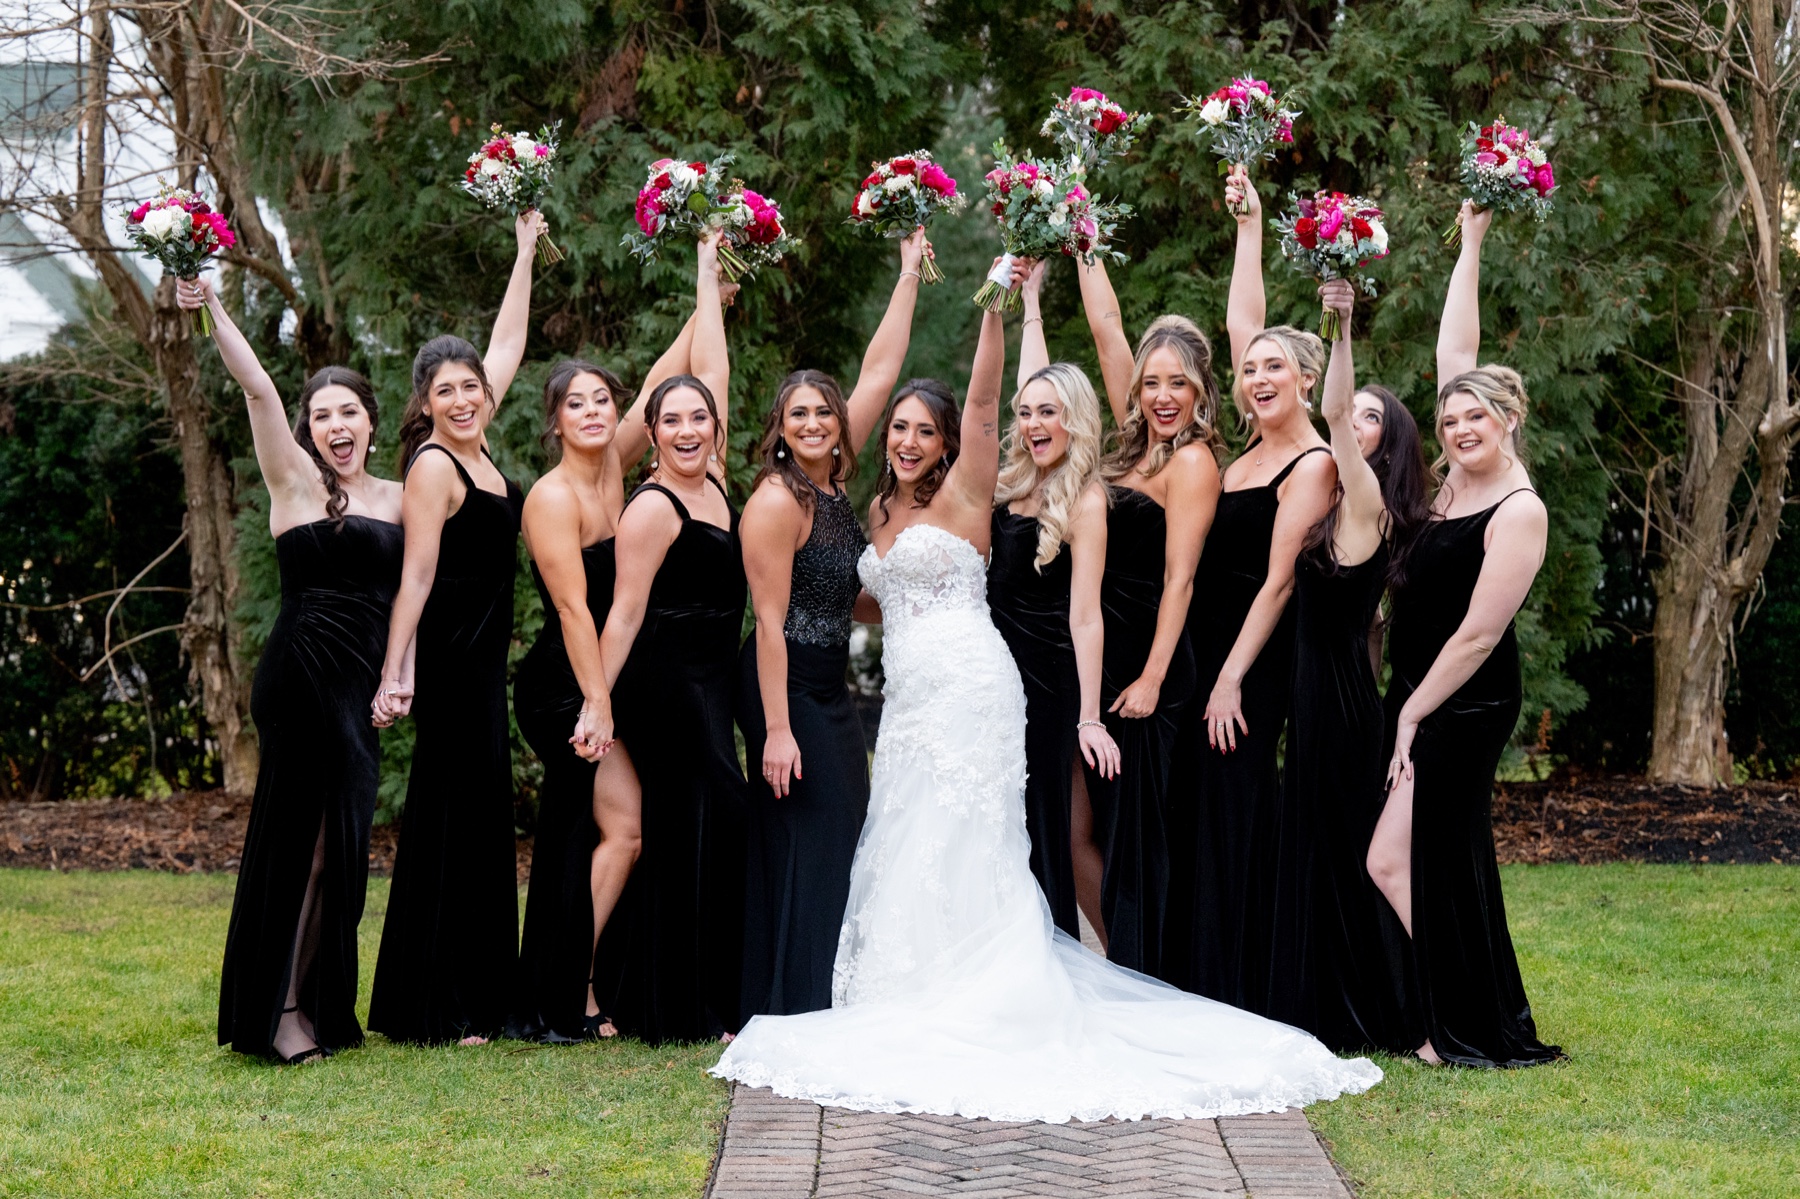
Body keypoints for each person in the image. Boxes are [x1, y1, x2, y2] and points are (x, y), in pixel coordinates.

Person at [712, 263, 1381, 1124]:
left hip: (973, 688)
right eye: (899, 429)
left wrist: (997, 307)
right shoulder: (870, 510)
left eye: (926, 430)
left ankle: (978, 990)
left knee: (968, 833)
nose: (908, 440)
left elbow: (993, 406)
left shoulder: (969, 493)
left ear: (950, 441)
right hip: (911, 699)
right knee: (909, 830)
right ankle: (910, 982)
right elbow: (857, 584)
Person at [182, 279, 404, 1065]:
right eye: (322, 415)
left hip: (360, 693)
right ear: (309, 430)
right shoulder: (295, 483)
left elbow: (414, 594)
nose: (335, 424)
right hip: (301, 678)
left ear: (373, 421)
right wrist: (209, 304)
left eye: (349, 410)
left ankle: (315, 1000)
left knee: (341, 847)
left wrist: (400, 673)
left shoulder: (407, 497)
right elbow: (257, 385)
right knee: (301, 846)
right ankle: (277, 1012)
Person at [1366, 203, 1562, 1068]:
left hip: (1464, 695)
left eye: (1475, 419)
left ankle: (1458, 1019)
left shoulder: (1518, 509)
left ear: (1508, 418)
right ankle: (1459, 1013)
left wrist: (1409, 716)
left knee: (1393, 859)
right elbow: (1456, 353)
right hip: (1419, 687)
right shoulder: (1450, 480)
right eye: (1449, 422)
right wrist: (1472, 241)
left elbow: (1480, 636)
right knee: (1434, 862)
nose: (1458, 430)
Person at [511, 279, 729, 1043]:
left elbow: (672, 378)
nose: (597, 412)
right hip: (563, 681)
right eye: (578, 403)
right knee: (625, 828)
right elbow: (575, 610)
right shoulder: (553, 496)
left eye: (604, 400)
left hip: (607, 675)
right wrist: (596, 704)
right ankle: (571, 990)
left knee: (604, 833)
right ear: (555, 420)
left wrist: (710, 292)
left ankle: (590, 980)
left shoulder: (614, 468)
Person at [736, 230, 928, 1018]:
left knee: (847, 826)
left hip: (832, 687)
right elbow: (771, 625)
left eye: (825, 411)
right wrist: (777, 731)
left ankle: (831, 988)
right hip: (783, 686)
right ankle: (790, 999)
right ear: (779, 429)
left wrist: (910, 271)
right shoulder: (776, 501)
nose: (814, 422)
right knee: (809, 837)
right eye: (799, 414)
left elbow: (881, 367)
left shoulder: (838, 485)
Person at [365, 213, 542, 1046]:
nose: (466, 397)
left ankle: (472, 992)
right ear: (425, 404)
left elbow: (507, 341)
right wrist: (397, 669)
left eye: (471, 386)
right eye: (447, 392)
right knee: (450, 819)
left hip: (482, 662)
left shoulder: (478, 449)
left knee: (477, 819)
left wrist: (523, 252)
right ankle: (434, 1004)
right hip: (447, 656)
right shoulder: (434, 465)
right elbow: (419, 575)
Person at [1166, 167, 1338, 1011]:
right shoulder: (1244, 451)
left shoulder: (1314, 464)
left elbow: (1275, 586)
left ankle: (1245, 980)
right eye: (1249, 371)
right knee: (1200, 800)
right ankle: (1201, 971)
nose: (1257, 376)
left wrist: (1231, 677)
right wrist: (1249, 224)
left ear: (1305, 379)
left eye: (1274, 367)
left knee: (1236, 792)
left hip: (1254, 661)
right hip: (1204, 648)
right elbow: (1241, 320)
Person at [584, 233, 746, 1043]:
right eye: (670, 421)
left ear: (716, 429)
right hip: (665, 681)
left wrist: (708, 267)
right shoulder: (652, 507)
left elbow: (712, 366)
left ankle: (664, 988)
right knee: (699, 818)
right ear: (653, 435)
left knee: (707, 823)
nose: (686, 429)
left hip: (715, 677)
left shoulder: (716, 481)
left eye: (698, 419)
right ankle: (672, 1003)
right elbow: (622, 614)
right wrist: (598, 703)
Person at [1270, 279, 1430, 1051]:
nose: (1355, 421)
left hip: (1339, 704)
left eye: (1373, 417)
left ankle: (1382, 1010)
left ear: (1385, 440)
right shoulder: (1338, 502)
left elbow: (1329, 411)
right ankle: (1331, 1002)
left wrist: (1340, 325)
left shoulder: (1365, 499)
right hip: (1320, 696)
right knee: (1322, 853)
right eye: (1355, 411)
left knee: (1339, 856)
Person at [1072, 257, 1220, 977]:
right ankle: (1124, 972)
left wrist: (1156, 676)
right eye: (1152, 382)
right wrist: (1080, 238)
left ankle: (1151, 981)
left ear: (1200, 392)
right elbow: (1106, 330)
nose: (1162, 395)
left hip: (1153, 673)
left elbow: (1180, 574)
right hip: (1111, 665)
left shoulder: (1191, 462)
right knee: (1100, 827)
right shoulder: (1137, 449)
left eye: (1178, 384)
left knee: (1139, 835)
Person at [987, 259, 1120, 943]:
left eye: (1050, 412)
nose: (1035, 421)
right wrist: (1029, 303)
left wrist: (1089, 718)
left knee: (1059, 828)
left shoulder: (1086, 497)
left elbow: (1086, 612)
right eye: (1027, 412)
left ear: (1075, 420)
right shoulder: (1013, 480)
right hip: (993, 673)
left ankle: (1111, 957)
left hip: (1048, 679)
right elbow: (1027, 381)